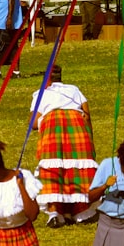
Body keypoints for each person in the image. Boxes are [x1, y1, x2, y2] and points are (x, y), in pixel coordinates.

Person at [33, 64, 98, 227]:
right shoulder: (74, 90)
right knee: (76, 170)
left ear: (47, 79)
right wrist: (90, 138)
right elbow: (86, 114)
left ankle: (55, 212)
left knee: (53, 170)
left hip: (53, 129)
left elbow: (33, 123)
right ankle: (81, 211)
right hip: (77, 128)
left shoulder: (41, 93)